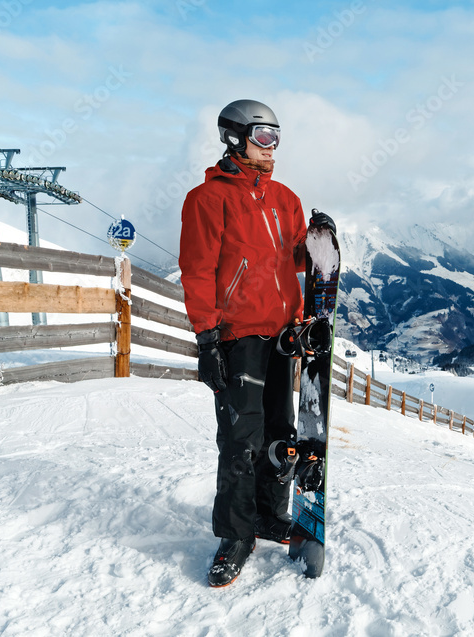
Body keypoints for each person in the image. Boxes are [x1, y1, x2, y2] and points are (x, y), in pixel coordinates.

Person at [179, 99, 334, 587]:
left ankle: (269, 514)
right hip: (237, 336)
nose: (272, 148)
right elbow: (199, 272)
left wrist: (316, 243)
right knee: (240, 442)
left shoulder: (285, 198)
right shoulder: (206, 200)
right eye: (263, 137)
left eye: (277, 137)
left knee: (279, 434)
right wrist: (207, 340)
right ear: (235, 139)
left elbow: (292, 262)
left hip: (282, 335)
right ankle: (236, 535)